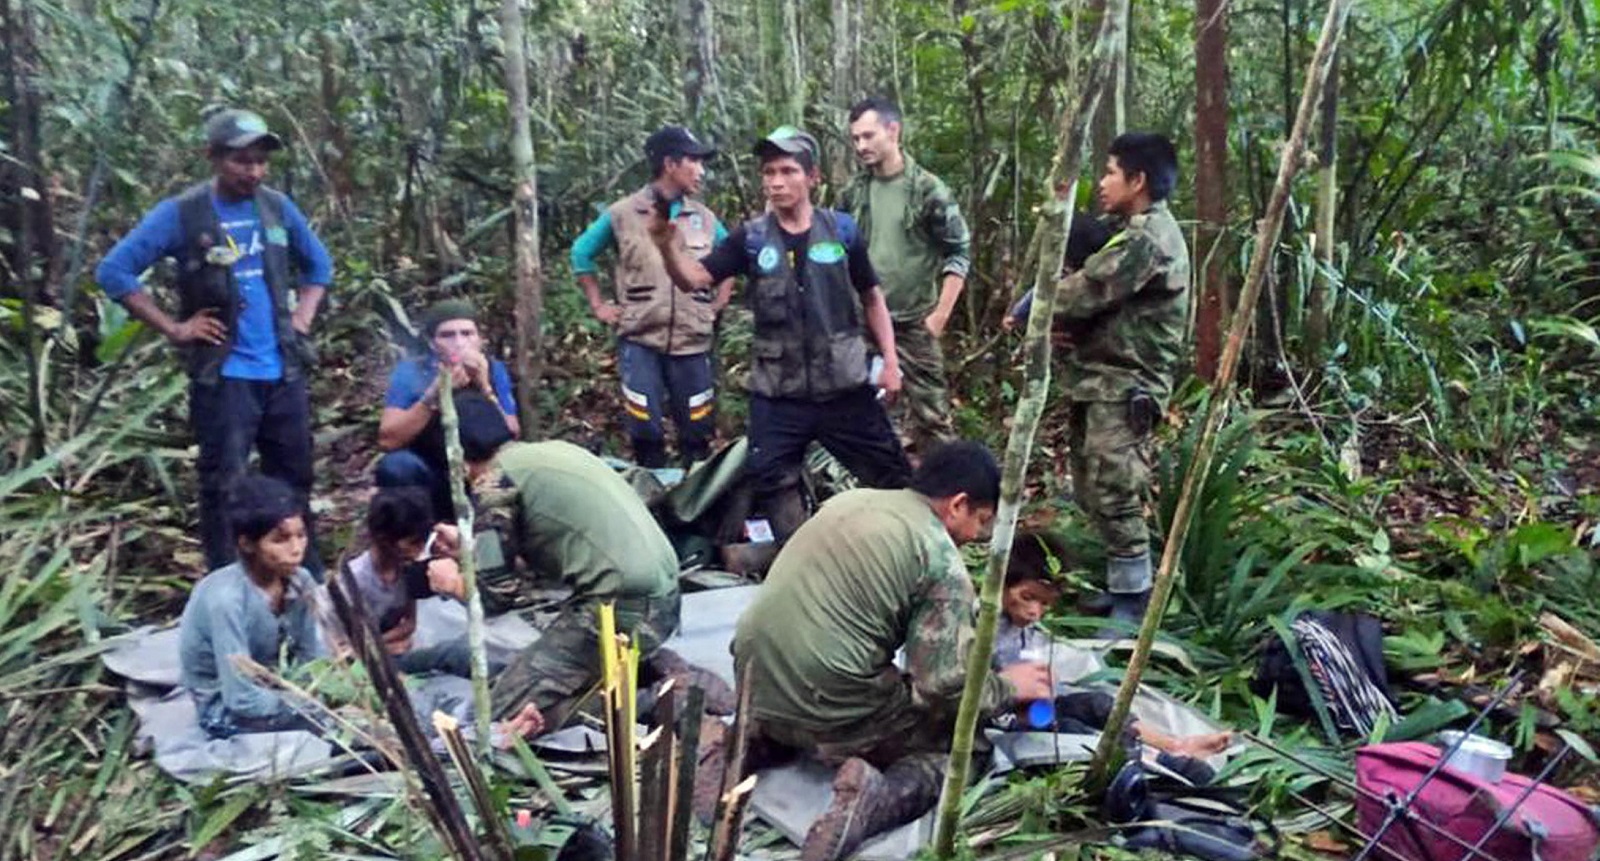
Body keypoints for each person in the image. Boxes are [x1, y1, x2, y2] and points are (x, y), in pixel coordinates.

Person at [707, 442, 1054, 861]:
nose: (978, 536)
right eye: (981, 520)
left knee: (828, 683)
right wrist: (1004, 688)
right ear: (958, 504)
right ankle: (872, 800)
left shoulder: (852, 501)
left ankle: (753, 741)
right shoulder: (940, 560)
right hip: (829, 698)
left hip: (752, 676)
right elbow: (940, 687)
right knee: (961, 752)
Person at [96, 108, 333, 576]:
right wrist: (175, 328)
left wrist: (301, 319)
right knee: (224, 483)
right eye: (242, 161)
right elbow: (114, 271)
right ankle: (230, 580)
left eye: (261, 161)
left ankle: (306, 575)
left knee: (294, 477)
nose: (254, 171)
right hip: (225, 377)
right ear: (212, 157)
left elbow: (319, 267)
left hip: (282, 369)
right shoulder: (183, 214)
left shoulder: (276, 208)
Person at [649, 126, 913, 540]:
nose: (775, 182)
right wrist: (666, 245)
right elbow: (693, 279)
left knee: (891, 476)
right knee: (771, 476)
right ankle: (803, 558)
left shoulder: (842, 231)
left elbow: (872, 297)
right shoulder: (750, 239)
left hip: (844, 385)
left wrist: (891, 362)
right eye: (768, 172)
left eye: (788, 171)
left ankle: (902, 552)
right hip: (778, 391)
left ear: (813, 178)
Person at [422, 397, 724, 732]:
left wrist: (452, 583)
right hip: (661, 596)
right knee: (537, 679)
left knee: (499, 717)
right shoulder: (549, 452)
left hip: (622, 609)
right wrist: (473, 547)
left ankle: (654, 701)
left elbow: (496, 597)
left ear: (458, 461)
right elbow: (550, 544)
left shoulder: (494, 485)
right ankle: (645, 669)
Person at [1051, 133, 1190, 627]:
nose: (1102, 182)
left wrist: (1037, 304)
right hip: (1101, 378)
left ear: (1139, 180)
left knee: (1115, 486)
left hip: (1126, 384)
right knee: (1092, 485)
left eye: (1111, 172)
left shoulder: (1147, 239)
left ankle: (1135, 600)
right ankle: (1119, 585)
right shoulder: (1128, 229)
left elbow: (1085, 291)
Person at [570, 126, 732, 467]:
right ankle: (650, 497)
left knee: (697, 428)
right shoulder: (622, 214)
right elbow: (581, 254)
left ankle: (696, 502)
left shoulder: (704, 218)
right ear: (670, 164)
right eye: (694, 162)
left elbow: (730, 259)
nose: (701, 171)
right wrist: (599, 305)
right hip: (641, 338)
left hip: (692, 341)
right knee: (644, 427)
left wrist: (718, 303)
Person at [992, 531, 1231, 758]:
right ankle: (1152, 760)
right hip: (999, 717)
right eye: (1027, 597)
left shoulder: (1022, 629)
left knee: (1098, 705)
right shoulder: (980, 627)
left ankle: (1172, 746)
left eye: (1045, 604)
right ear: (1000, 583)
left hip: (1030, 709)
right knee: (1069, 730)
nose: (1035, 612)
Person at [840, 97, 972, 458]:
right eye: (855, 139)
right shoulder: (853, 193)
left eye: (868, 136)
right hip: (864, 326)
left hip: (915, 324)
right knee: (868, 417)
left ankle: (945, 501)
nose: (861, 146)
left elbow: (958, 251)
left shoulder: (928, 190)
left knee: (932, 420)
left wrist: (939, 317)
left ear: (893, 130)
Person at [178, 474, 325, 738]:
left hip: (282, 688)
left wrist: (319, 690)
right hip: (226, 708)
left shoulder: (301, 581)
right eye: (280, 540)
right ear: (247, 544)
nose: (296, 549)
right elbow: (240, 697)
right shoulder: (227, 600)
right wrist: (305, 704)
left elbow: (313, 657)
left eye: (301, 536)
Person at [322, 487, 484, 679]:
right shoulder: (354, 583)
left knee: (462, 652)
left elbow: (409, 625)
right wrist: (381, 648)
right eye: (413, 543)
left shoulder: (407, 569)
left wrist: (379, 644)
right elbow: (344, 649)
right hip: (368, 669)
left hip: (393, 652)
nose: (419, 551)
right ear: (385, 540)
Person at [376, 299, 519, 514]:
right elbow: (388, 439)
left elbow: (512, 432)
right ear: (433, 343)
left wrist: (485, 386)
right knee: (397, 467)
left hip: (482, 469)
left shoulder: (493, 368)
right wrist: (434, 395)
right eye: (448, 335)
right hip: (432, 468)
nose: (459, 342)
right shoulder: (412, 372)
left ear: (480, 339)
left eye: (467, 333)